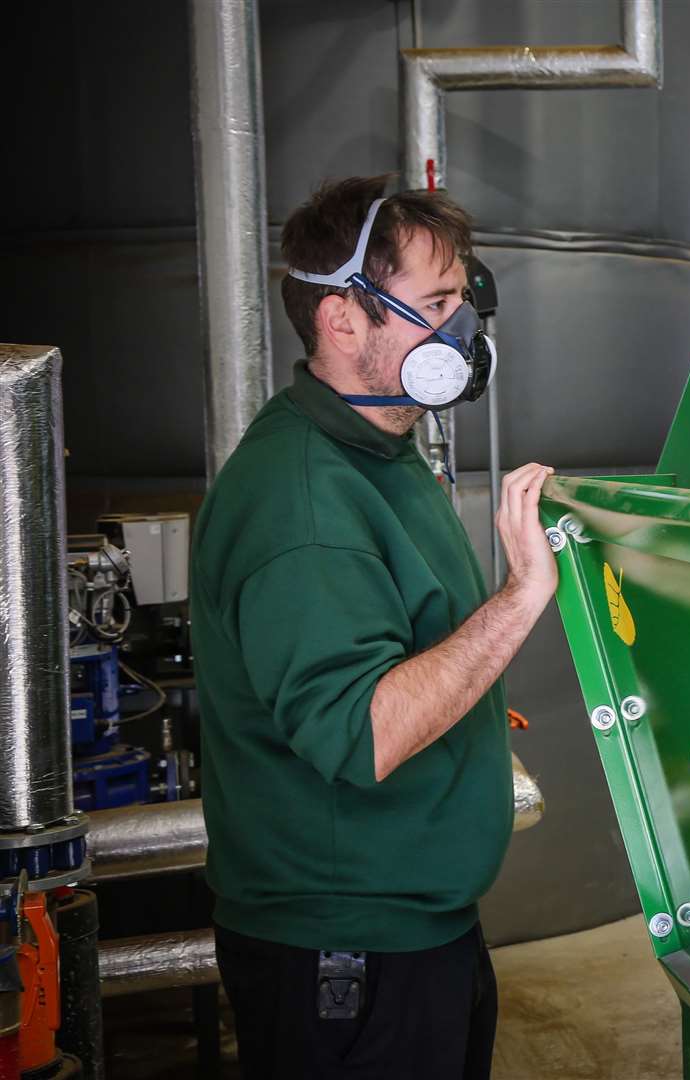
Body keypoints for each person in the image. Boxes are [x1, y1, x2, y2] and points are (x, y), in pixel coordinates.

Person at [190, 175, 556, 1078]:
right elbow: (364, 729)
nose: (465, 329)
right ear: (342, 320)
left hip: (414, 932)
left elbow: (389, 653)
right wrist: (518, 601)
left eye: (464, 299)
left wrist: (465, 710)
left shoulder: (379, 453)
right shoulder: (302, 503)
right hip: (347, 955)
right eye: (435, 303)